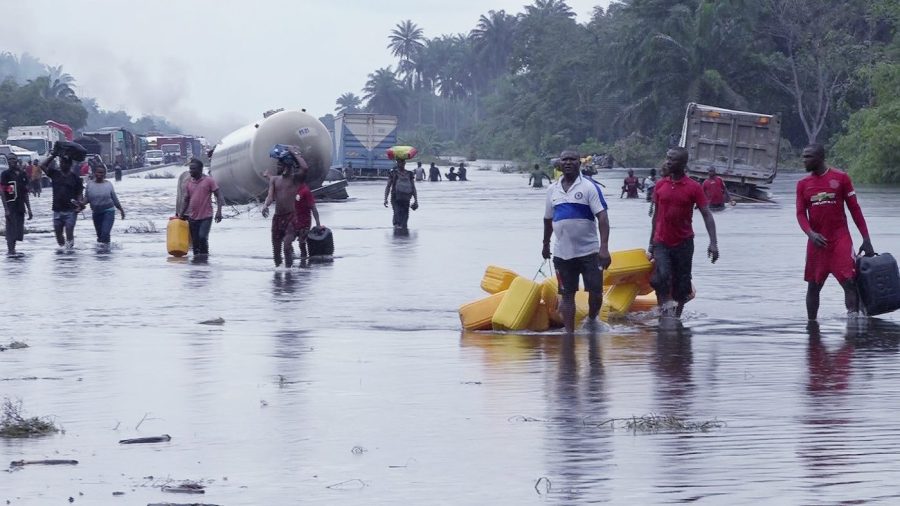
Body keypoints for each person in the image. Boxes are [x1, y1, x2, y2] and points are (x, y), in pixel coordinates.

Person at [796, 144, 874, 320]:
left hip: (840, 240)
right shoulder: (803, 185)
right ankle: (812, 328)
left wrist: (866, 238)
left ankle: (853, 325)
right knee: (813, 287)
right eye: (803, 157)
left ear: (820, 158)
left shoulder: (841, 178)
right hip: (817, 243)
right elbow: (800, 214)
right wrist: (810, 234)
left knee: (849, 283)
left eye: (808, 157)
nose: (804, 161)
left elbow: (855, 209)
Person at [542, 149, 611, 334]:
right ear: (559, 163)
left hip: (589, 252)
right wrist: (545, 244)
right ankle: (569, 334)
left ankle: (591, 319)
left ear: (579, 163)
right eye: (564, 160)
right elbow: (548, 219)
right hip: (562, 253)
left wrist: (604, 248)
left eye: (572, 160)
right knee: (566, 294)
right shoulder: (552, 190)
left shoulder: (589, 187)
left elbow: (603, 218)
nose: (568, 163)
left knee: (595, 292)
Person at [649, 147, 719, 318]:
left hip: (684, 242)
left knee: (682, 284)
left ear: (682, 163)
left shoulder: (694, 187)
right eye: (667, 158)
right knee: (661, 277)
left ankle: (676, 318)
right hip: (661, 241)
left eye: (672, 159)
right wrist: (651, 243)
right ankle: (664, 311)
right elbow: (656, 216)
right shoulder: (660, 185)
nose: (667, 162)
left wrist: (713, 243)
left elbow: (707, 214)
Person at [261, 149, 307, 267]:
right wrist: (265, 205)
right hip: (277, 218)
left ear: (287, 165)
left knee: (287, 246)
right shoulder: (274, 180)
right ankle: (279, 275)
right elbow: (270, 196)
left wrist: (294, 153)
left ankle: (288, 273)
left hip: (292, 217)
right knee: (276, 252)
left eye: (280, 164)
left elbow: (304, 168)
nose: (277, 167)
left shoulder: (295, 179)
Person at [41, 145, 85, 249]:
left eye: (64, 163)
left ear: (69, 164)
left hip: (70, 210)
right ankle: (63, 251)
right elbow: (42, 166)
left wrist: (80, 203)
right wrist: (53, 156)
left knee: (69, 230)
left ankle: (70, 251)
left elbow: (79, 192)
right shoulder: (55, 174)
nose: (62, 164)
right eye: (61, 162)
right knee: (58, 234)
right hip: (57, 209)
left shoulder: (75, 178)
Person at [180, 158, 223, 256]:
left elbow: (219, 195)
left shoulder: (209, 181)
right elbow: (186, 200)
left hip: (206, 216)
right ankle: (198, 266)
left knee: (202, 237)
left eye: (193, 169)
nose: (191, 171)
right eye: (190, 169)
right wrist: (181, 215)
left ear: (200, 169)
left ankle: (204, 259)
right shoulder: (188, 183)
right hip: (192, 217)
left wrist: (219, 211)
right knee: (195, 243)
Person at [81, 165, 125, 248]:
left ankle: (105, 254)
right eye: (98, 172)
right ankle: (103, 253)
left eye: (102, 173)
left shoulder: (108, 184)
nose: (99, 174)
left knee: (105, 233)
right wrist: (81, 204)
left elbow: (114, 198)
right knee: (100, 236)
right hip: (96, 213)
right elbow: (87, 198)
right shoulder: (90, 185)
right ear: (94, 173)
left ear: (105, 174)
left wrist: (121, 210)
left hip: (108, 212)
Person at [1, 154, 33, 256]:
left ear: (16, 161)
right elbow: (2, 192)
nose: (11, 161)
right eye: (9, 159)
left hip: (20, 206)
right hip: (10, 205)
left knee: (18, 230)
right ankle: (10, 250)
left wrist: (29, 209)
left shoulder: (22, 174)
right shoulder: (5, 174)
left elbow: (25, 192)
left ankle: (13, 250)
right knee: (10, 229)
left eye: (13, 159)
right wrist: (6, 209)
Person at [294, 166, 322, 258]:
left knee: (302, 244)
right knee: (287, 241)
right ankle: (291, 259)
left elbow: (313, 208)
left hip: (304, 223)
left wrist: (318, 224)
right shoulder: (294, 190)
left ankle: (304, 264)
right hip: (294, 222)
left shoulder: (306, 191)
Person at [383, 158, 418, 230]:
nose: (401, 164)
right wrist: (385, 198)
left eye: (402, 162)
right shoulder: (394, 173)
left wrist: (416, 200)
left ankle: (400, 233)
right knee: (397, 214)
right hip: (396, 197)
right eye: (400, 162)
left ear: (404, 163)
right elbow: (388, 186)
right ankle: (399, 232)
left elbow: (413, 187)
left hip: (406, 197)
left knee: (404, 216)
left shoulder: (408, 174)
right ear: (398, 163)